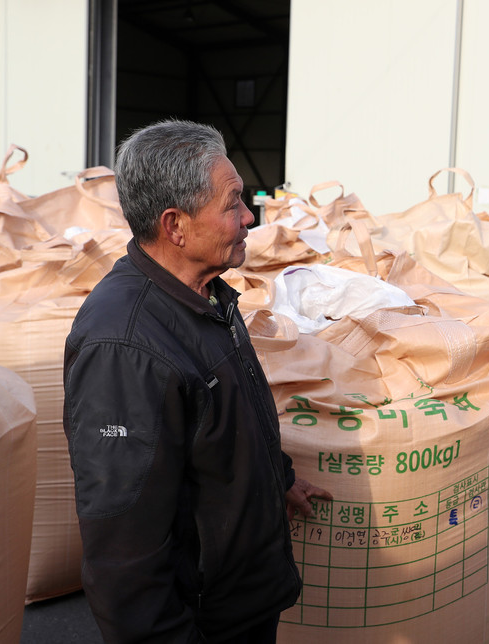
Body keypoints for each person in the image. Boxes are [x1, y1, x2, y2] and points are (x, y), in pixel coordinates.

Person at [63, 119, 331, 644]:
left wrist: (276, 478)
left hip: (242, 601)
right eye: (233, 204)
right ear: (175, 226)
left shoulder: (205, 295)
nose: (249, 217)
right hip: (203, 622)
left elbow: (229, 415)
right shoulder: (125, 347)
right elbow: (123, 549)